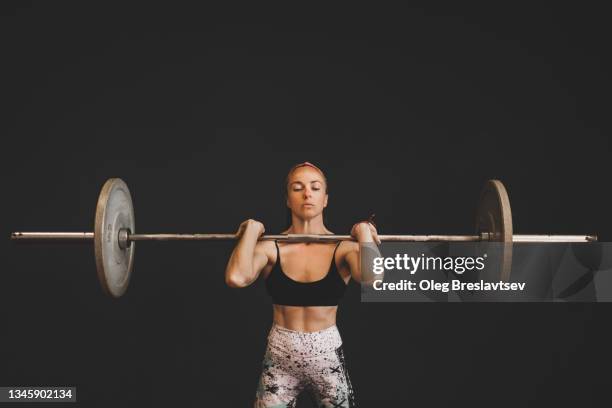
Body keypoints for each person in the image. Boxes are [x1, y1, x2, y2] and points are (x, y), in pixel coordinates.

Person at [225, 162, 380, 408]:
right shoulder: (271, 247)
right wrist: (252, 232)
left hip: (327, 358)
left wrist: (364, 234)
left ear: (325, 199)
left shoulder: (344, 249)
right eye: (298, 188)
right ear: (288, 199)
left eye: (315, 188)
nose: (307, 193)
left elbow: (374, 279)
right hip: (280, 358)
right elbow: (236, 277)